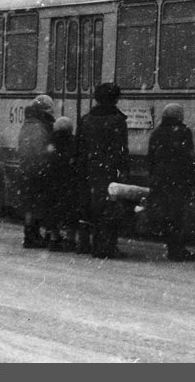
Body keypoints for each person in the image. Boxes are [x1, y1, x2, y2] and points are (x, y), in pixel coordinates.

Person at [75, 82, 130, 258]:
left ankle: (85, 243)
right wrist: (123, 169)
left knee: (89, 205)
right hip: (109, 170)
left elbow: (79, 148)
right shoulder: (117, 120)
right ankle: (105, 246)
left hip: (89, 169)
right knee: (109, 207)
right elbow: (121, 149)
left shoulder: (85, 119)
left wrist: (81, 167)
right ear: (115, 99)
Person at [147, 103, 195, 262]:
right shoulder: (183, 132)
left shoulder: (156, 133)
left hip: (161, 179)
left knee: (167, 214)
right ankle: (177, 250)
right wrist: (193, 180)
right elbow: (189, 158)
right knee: (177, 215)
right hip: (178, 179)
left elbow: (151, 158)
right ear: (179, 116)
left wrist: (153, 177)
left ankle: (172, 247)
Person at [17, 94, 56, 248]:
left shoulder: (28, 124)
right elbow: (41, 150)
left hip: (26, 170)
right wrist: (49, 156)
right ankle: (33, 236)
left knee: (30, 206)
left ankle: (30, 234)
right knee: (38, 205)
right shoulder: (39, 126)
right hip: (37, 171)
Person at [46, 115, 81, 252]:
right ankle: (70, 239)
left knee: (53, 211)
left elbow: (47, 159)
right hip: (69, 183)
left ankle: (54, 238)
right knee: (71, 212)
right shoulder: (73, 142)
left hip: (52, 182)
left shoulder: (50, 142)